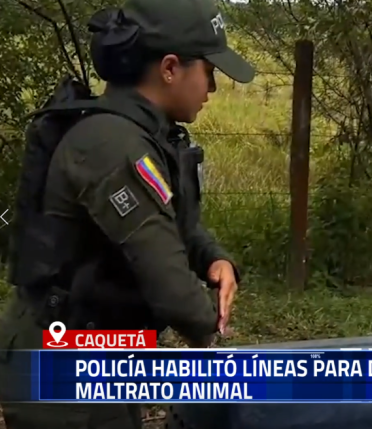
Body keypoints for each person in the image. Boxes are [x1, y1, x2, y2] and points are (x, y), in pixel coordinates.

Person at [0, 0, 253, 427]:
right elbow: (170, 284)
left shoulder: (146, 135)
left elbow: (175, 223)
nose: (212, 87)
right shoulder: (113, 145)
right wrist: (211, 329)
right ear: (170, 68)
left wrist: (214, 258)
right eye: (208, 71)